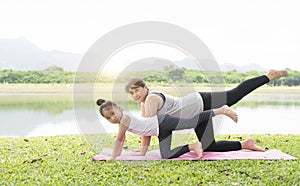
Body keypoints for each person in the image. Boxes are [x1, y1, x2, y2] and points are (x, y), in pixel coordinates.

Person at [125, 69, 288, 152]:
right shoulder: (145, 102)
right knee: (209, 146)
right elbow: (150, 128)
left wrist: (144, 151)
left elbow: (150, 128)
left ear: (145, 87)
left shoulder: (152, 99)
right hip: (197, 115)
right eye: (131, 93)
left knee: (234, 95)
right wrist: (144, 150)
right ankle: (246, 144)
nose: (134, 95)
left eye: (137, 91)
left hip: (200, 101)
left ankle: (269, 76)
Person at [96, 98, 260, 160]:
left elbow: (119, 139)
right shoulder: (123, 121)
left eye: (112, 113)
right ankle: (193, 146)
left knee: (190, 122)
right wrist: (139, 152)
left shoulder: (124, 119)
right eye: (108, 117)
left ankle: (221, 110)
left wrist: (113, 157)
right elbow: (127, 138)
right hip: (160, 131)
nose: (112, 118)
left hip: (162, 122)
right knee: (166, 155)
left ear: (119, 108)